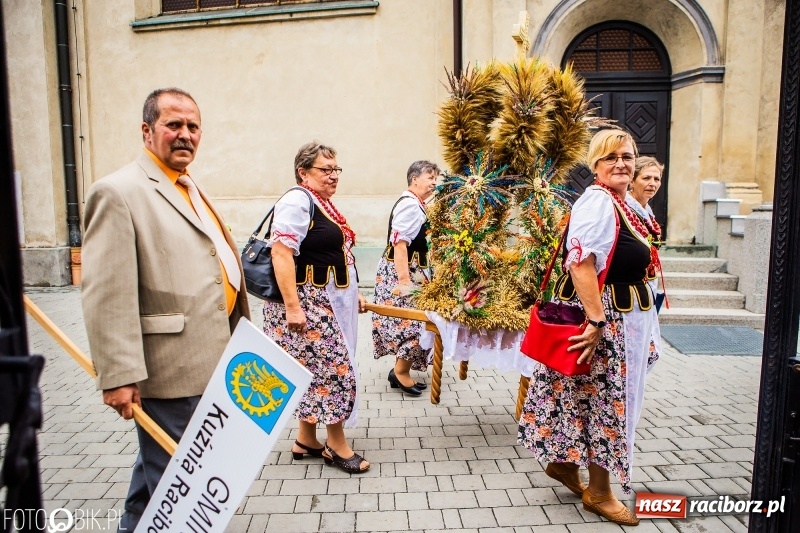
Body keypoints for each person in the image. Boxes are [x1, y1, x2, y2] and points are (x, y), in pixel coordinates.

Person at [81, 87, 250, 532]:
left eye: (193, 126)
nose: (185, 135)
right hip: (171, 367)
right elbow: (106, 291)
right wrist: (117, 374)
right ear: (147, 130)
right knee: (181, 484)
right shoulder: (118, 192)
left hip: (213, 357)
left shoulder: (189, 184)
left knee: (159, 473)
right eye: (173, 125)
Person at [518, 128, 660, 527]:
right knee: (606, 405)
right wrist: (597, 321)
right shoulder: (598, 202)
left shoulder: (623, 202)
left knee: (588, 398)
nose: (621, 163)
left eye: (628, 157)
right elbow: (580, 264)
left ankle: (564, 465)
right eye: (611, 157)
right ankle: (598, 492)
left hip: (624, 319)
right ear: (595, 164)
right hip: (606, 322)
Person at [262, 142, 370, 474]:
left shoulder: (319, 203)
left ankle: (306, 438)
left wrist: (354, 295)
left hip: (324, 301)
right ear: (303, 172)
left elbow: (332, 255)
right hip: (306, 305)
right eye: (325, 169)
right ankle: (336, 446)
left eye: (336, 169)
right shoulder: (297, 200)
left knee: (312, 372)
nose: (333, 176)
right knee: (335, 371)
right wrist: (294, 308)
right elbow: (281, 253)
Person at [372, 160, 439, 396]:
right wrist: (403, 281)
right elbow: (400, 244)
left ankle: (400, 370)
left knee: (417, 323)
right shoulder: (409, 205)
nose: (434, 182)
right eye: (430, 177)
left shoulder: (416, 204)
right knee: (415, 323)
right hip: (404, 272)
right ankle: (400, 372)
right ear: (414, 179)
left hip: (414, 272)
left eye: (435, 178)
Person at [627, 156, 666, 309]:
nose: (652, 183)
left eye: (656, 179)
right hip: (628, 287)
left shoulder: (647, 213)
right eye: (646, 178)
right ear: (632, 181)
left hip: (647, 283)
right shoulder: (624, 209)